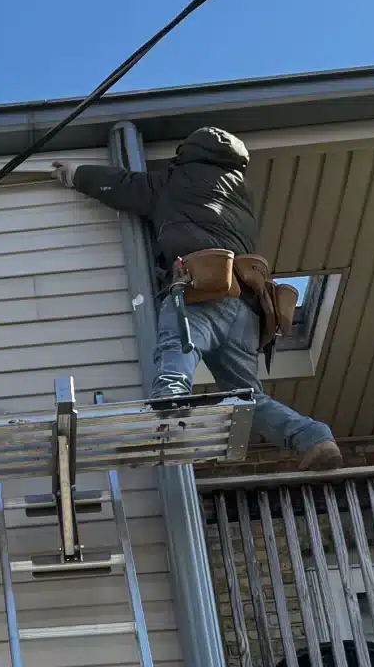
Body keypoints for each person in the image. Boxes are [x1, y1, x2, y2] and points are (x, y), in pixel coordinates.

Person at [55, 127, 343, 468]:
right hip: (248, 306)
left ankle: (166, 414)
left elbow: (124, 186)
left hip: (201, 291)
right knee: (244, 399)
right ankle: (313, 438)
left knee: (177, 354)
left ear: (189, 152)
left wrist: (74, 173)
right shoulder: (240, 191)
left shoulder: (175, 181)